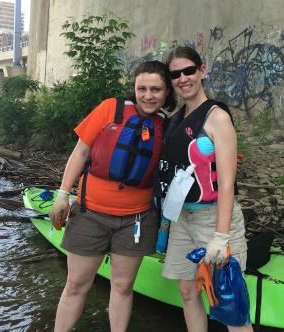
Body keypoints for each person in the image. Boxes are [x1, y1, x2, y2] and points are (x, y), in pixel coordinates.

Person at [50, 60, 176, 332]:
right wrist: (62, 195)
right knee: (75, 285)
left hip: (136, 221)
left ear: (167, 92)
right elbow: (80, 152)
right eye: (141, 88)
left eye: (156, 89)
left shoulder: (167, 126)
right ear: (134, 87)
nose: (148, 95)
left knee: (122, 286)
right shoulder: (110, 108)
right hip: (90, 215)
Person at [158, 46, 253, 332]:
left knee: (230, 304)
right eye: (176, 74)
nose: (183, 78)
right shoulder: (175, 119)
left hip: (214, 220)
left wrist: (221, 237)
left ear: (202, 70)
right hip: (182, 219)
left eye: (189, 70)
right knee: (188, 292)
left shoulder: (216, 117)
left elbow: (226, 183)